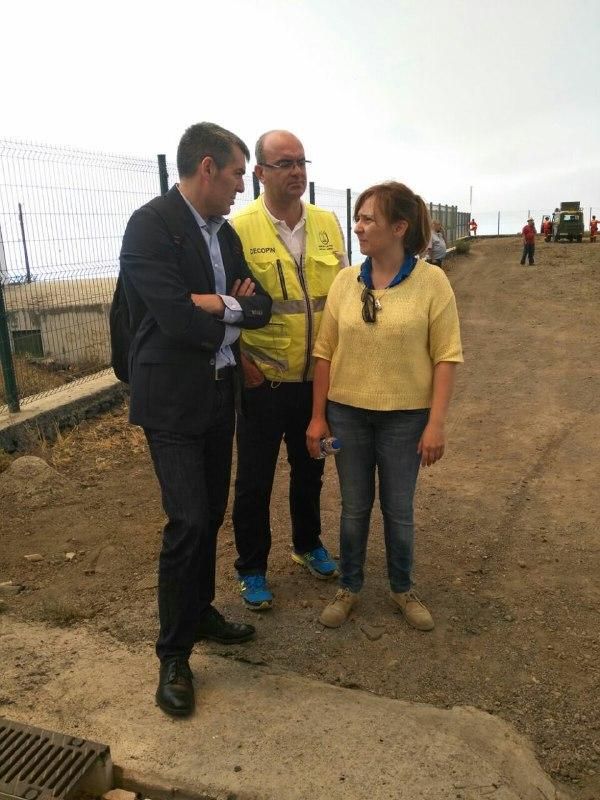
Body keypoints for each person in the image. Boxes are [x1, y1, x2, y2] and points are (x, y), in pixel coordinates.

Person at [119, 122, 272, 717]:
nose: (242, 184)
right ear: (207, 168)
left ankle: (200, 610)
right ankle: (174, 654)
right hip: (172, 402)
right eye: (237, 173)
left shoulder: (226, 235)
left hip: (217, 393)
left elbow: (258, 307)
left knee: (209, 514)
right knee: (186, 520)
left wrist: (220, 303)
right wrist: (223, 311)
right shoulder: (151, 226)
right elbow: (176, 322)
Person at [306, 181, 463, 632]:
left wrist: (436, 423)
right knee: (354, 508)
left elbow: (446, 356)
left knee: (398, 509)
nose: (357, 227)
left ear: (399, 227)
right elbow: (324, 352)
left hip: (406, 419)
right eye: (357, 218)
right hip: (347, 415)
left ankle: (402, 588)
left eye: (368, 219)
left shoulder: (432, 283)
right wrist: (318, 417)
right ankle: (349, 588)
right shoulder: (343, 282)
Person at [230, 130, 348, 610]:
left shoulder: (326, 222)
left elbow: (342, 299)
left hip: (315, 381)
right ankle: (252, 569)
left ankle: (307, 545)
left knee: (310, 469)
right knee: (255, 480)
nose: (297, 171)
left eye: (301, 162)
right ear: (260, 172)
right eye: (284, 164)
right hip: (262, 380)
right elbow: (225, 305)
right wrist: (244, 365)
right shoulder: (238, 230)